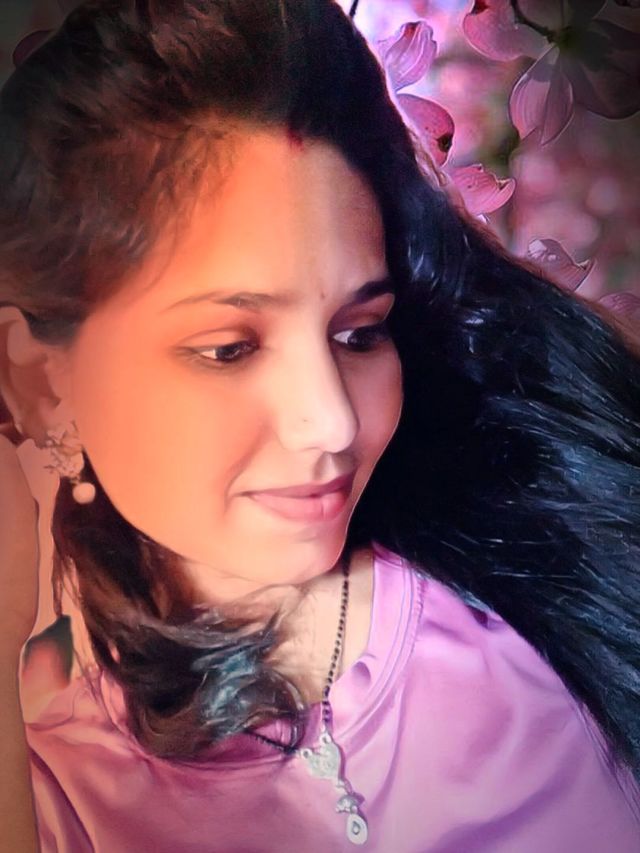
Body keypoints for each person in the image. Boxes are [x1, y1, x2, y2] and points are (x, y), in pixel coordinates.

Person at [1, 1, 639, 850]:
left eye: (359, 333)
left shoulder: (548, 565)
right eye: (229, 348)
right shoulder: (52, 799)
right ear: (40, 384)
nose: (331, 420)